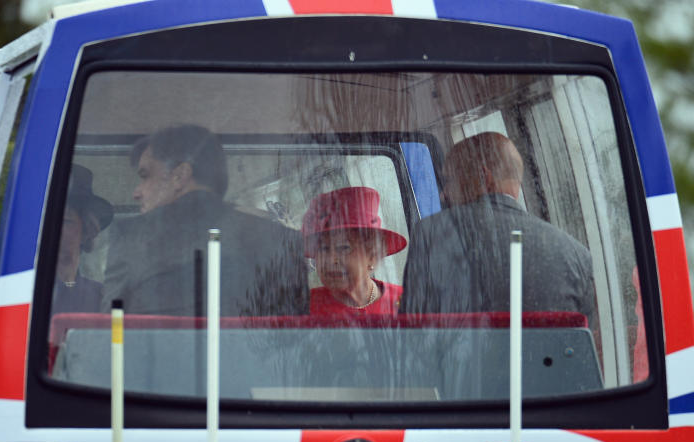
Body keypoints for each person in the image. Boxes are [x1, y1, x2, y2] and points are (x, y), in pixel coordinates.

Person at [100, 124, 308, 316]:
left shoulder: (131, 237)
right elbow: (292, 340)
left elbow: (108, 332)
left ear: (179, 176)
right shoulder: (280, 240)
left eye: (145, 175)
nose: (137, 192)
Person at [399, 132, 596, 322]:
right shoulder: (578, 256)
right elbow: (579, 343)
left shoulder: (433, 233)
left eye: (449, 181)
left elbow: (414, 331)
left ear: (484, 176)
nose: (444, 194)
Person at [301, 186, 407, 316]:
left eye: (344, 248)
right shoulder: (301, 308)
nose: (330, 259)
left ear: (372, 256)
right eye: (323, 249)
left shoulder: (406, 303)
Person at [52, 164, 114, 313]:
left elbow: (117, 336)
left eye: (65, 221)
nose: (54, 229)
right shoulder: (27, 289)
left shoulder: (102, 296)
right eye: (47, 222)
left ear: (87, 231)